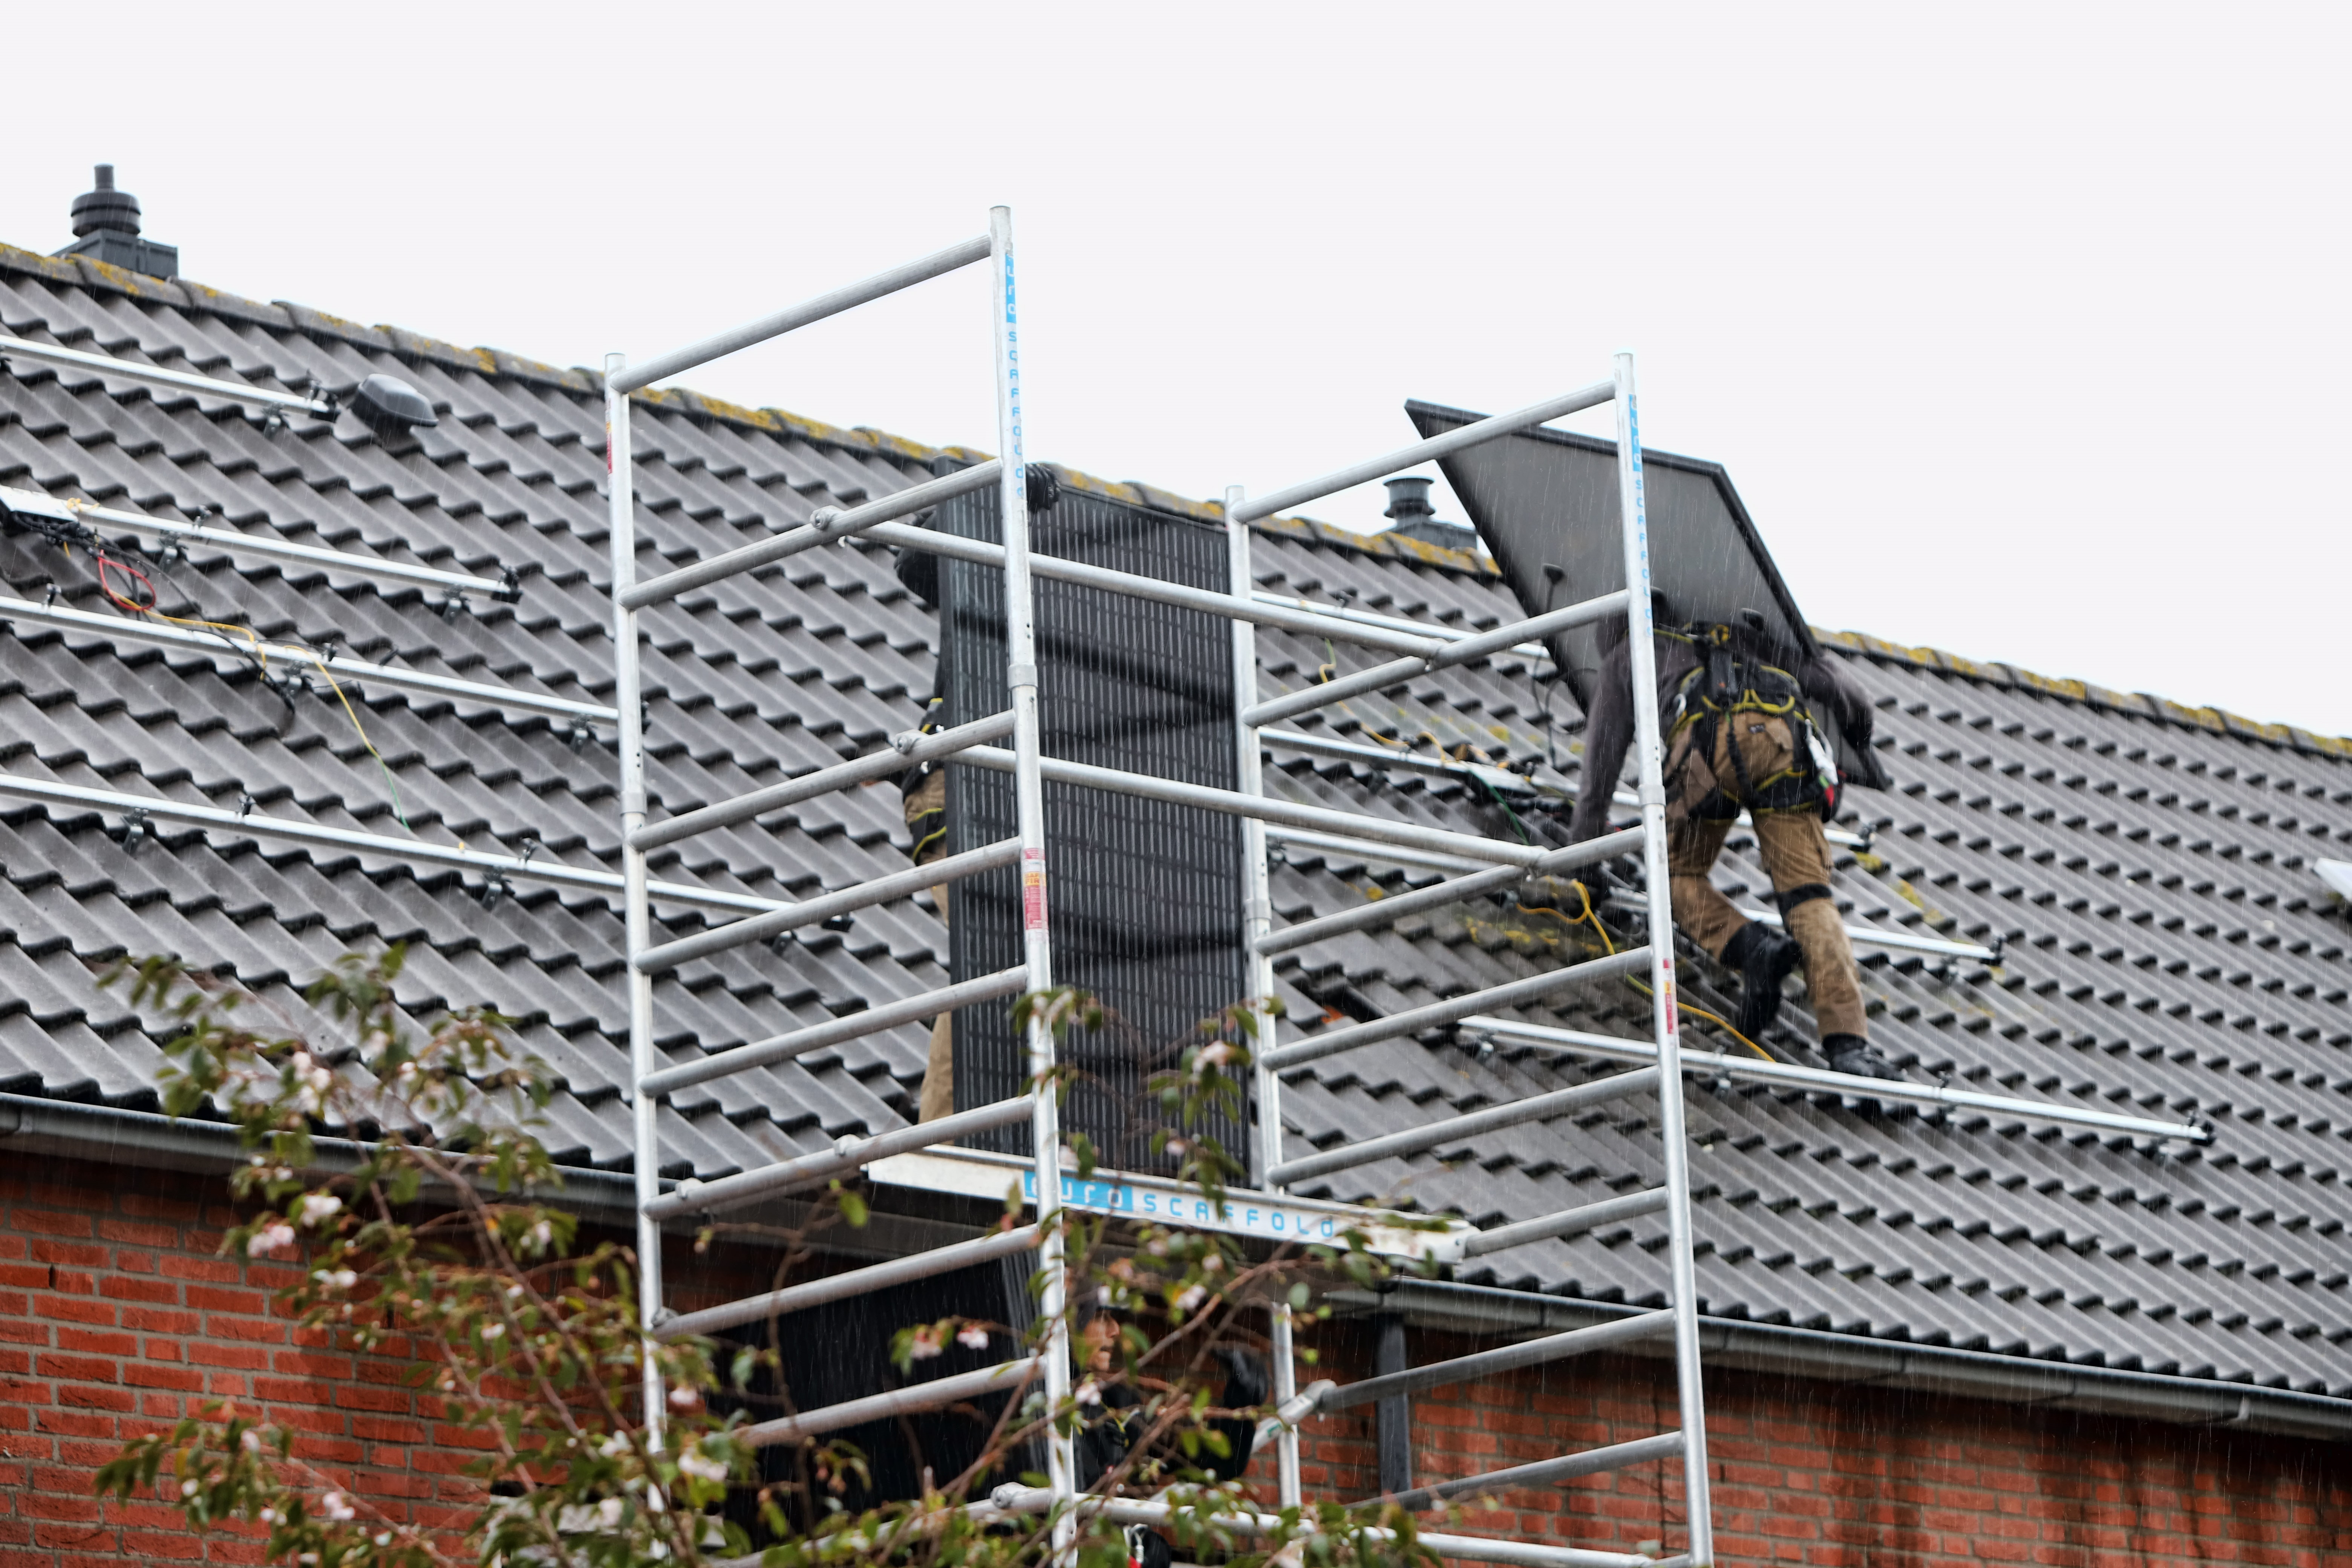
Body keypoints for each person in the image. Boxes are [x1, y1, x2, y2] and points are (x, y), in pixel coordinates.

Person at [1564, 601, 1904, 1082]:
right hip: (1786, 747)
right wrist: (1857, 735)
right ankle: (1848, 1042)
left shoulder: (1628, 654)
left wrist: (1583, 860)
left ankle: (1754, 949)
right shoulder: (1745, 634)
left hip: (1707, 747)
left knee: (1677, 877)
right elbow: (1844, 694)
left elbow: (1598, 776)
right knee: (1808, 896)